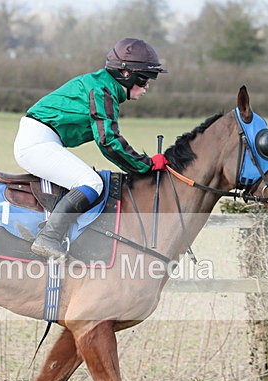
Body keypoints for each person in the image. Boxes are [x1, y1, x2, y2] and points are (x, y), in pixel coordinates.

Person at [14, 37, 169, 261]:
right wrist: (146, 164)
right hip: (36, 142)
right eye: (144, 80)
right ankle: (48, 238)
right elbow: (108, 141)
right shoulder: (101, 90)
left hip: (43, 139)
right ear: (126, 74)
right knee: (91, 182)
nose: (147, 87)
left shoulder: (104, 86)